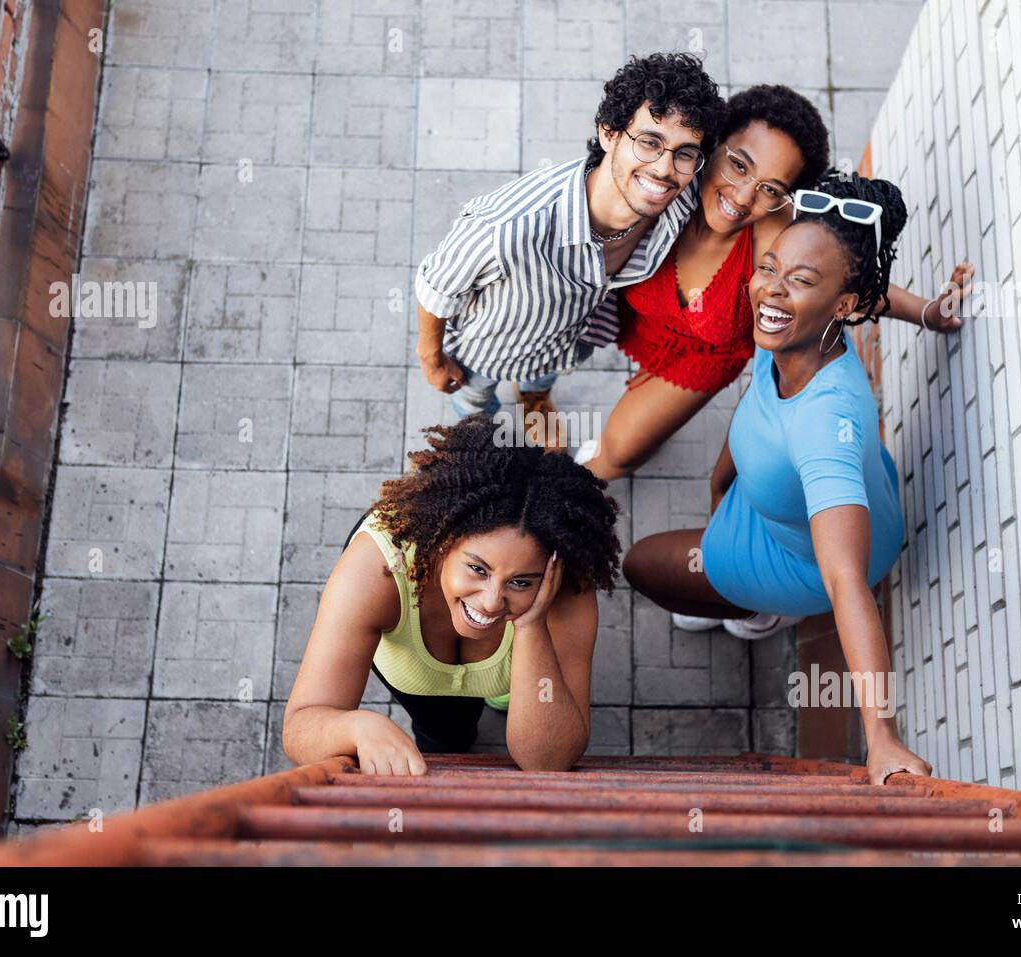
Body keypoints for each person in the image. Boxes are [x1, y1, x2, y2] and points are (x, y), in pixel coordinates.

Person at [621, 170, 934, 785]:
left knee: (639, 567)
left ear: (843, 306)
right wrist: (932, 313)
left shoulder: (825, 423)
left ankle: (760, 612)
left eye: (801, 281)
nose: (770, 290)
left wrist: (882, 735)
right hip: (782, 509)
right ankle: (743, 601)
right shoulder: (802, 338)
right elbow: (864, 290)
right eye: (768, 267)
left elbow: (846, 582)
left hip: (802, 562)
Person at [575, 85, 974, 480]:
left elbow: (836, 287)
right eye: (739, 165)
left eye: (770, 189)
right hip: (641, 319)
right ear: (713, 144)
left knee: (620, 453)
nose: (743, 196)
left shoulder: (775, 239)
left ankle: (568, 506)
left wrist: (928, 313)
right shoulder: (670, 180)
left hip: (703, 356)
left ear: (787, 198)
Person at [414, 52, 726, 449]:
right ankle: (484, 435)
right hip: (484, 353)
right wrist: (433, 360)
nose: (665, 169)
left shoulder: (680, 197)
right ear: (609, 134)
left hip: (565, 342)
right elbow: (435, 286)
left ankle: (534, 401)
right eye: (649, 142)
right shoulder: (506, 227)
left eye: (684, 152)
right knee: (475, 411)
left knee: (541, 381)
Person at [283, 415, 622, 774]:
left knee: (528, 700)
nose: (491, 601)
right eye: (478, 569)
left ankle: (505, 693)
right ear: (442, 543)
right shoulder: (374, 572)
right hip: (421, 686)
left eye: (521, 582)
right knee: (444, 735)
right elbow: (300, 726)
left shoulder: (566, 582)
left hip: (525, 656)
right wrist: (356, 726)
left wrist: (532, 627)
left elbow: (547, 762)